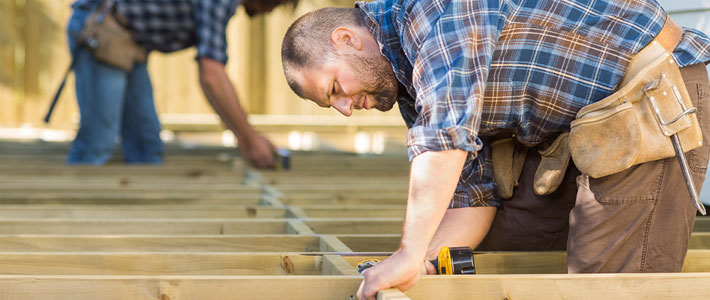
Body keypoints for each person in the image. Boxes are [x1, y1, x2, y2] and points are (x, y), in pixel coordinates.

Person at [280, 1, 710, 299]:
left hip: (647, 99)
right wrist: (422, 264)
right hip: (580, 134)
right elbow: (473, 196)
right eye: (330, 104)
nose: (344, 109)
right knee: (507, 250)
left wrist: (409, 252)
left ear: (346, 39)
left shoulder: (431, 11)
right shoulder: (409, 84)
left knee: (603, 284)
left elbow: (445, 133)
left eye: (335, 88)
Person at [66, 0, 297, 167]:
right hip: (101, 29)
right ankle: (72, 224)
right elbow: (211, 76)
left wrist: (247, 137)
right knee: (98, 143)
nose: (269, 11)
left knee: (146, 149)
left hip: (130, 42)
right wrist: (249, 138)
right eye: (273, 5)